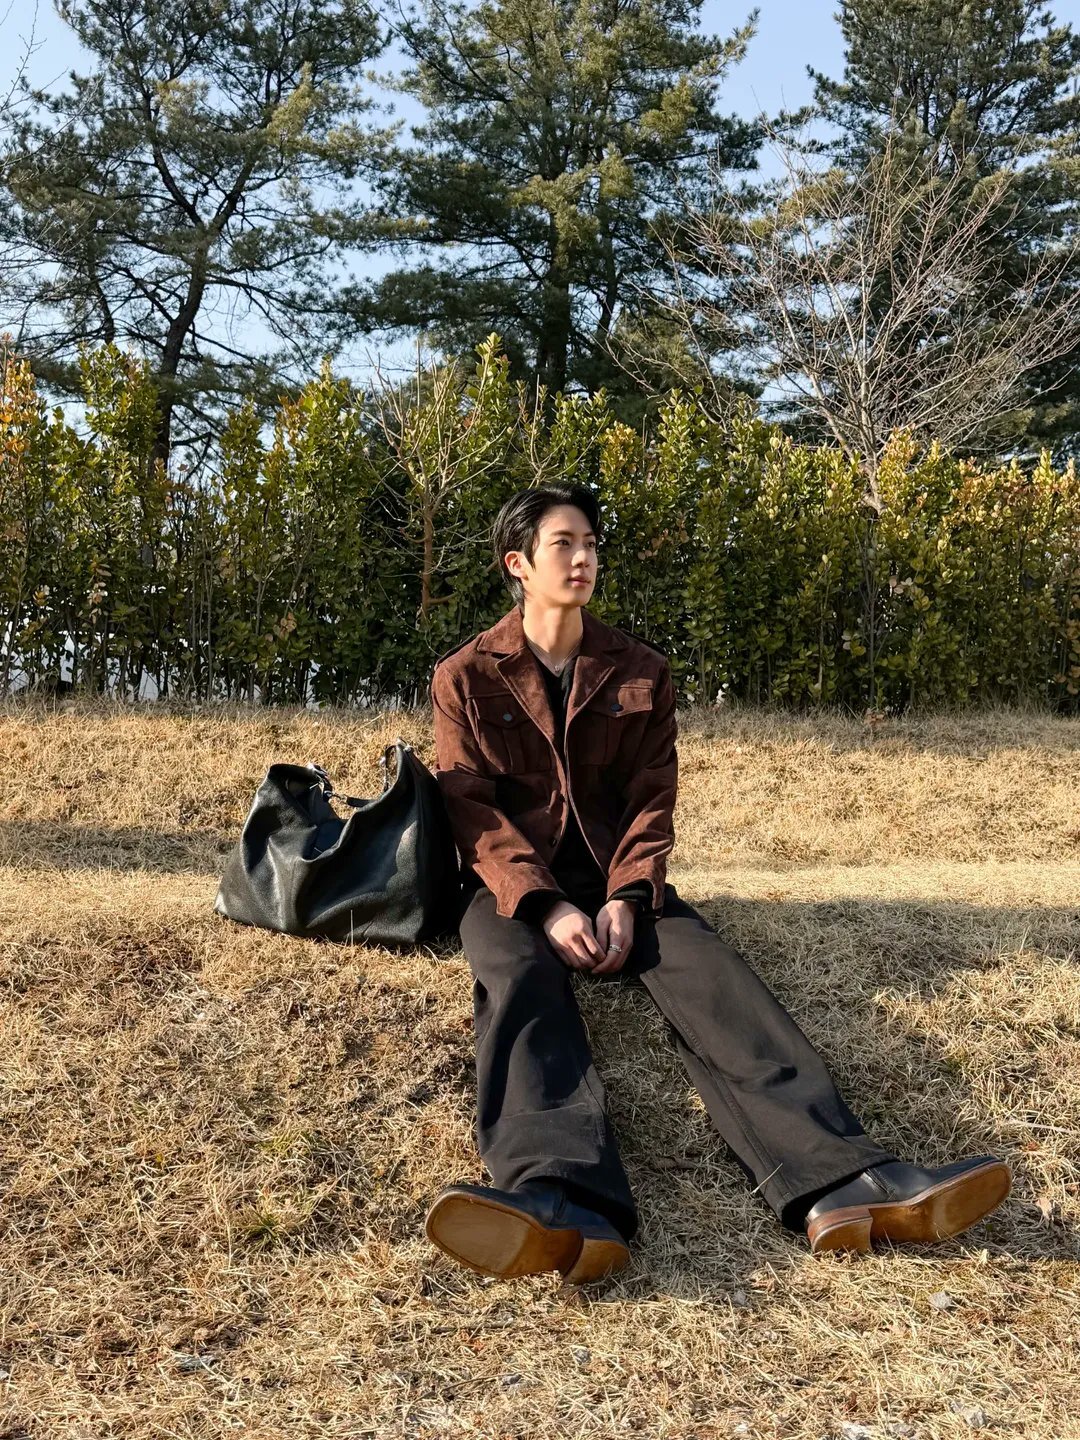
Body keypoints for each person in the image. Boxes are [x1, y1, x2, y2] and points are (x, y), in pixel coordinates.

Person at [424, 482, 1011, 1284]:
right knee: (518, 976)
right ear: (518, 564)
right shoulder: (464, 676)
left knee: (713, 976)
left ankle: (845, 1180)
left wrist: (629, 896)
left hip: (617, 876)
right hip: (511, 886)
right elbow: (472, 810)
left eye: (591, 542)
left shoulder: (639, 670)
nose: (584, 557)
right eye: (564, 543)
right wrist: (548, 906)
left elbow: (650, 799)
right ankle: (557, 1197)